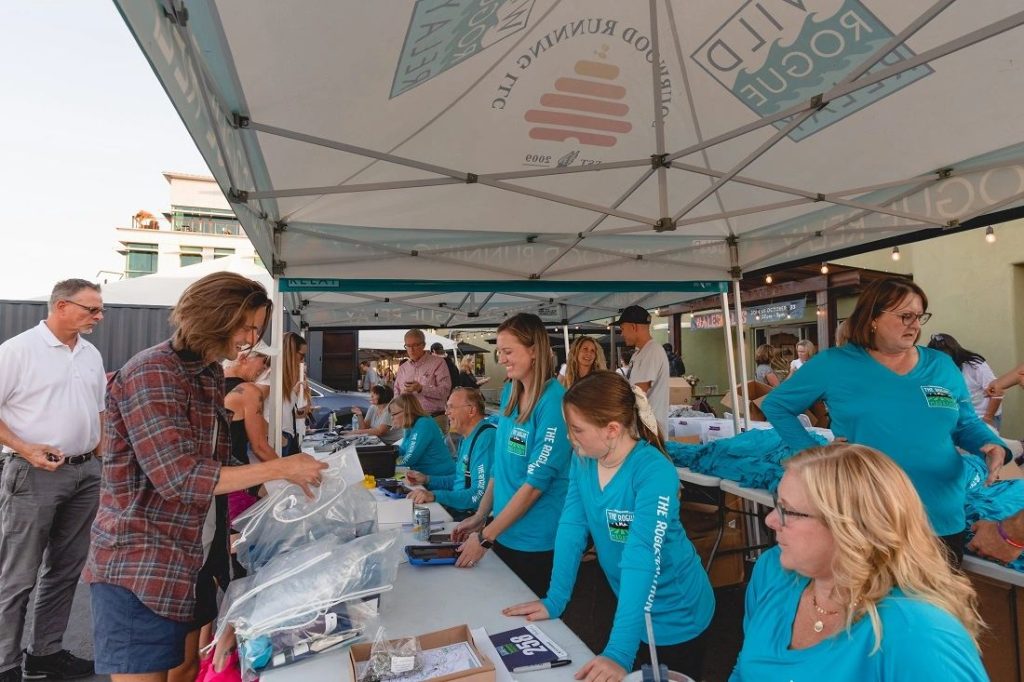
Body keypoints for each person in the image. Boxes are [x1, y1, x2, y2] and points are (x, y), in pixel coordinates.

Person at [83, 272, 328, 682]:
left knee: (189, 667)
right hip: (141, 564)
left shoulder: (210, 373)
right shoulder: (152, 373)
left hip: (191, 556)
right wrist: (282, 467)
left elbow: (215, 461)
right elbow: (180, 478)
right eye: (247, 325)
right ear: (215, 315)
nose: (251, 338)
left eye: (257, 327)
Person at [762, 277, 1008, 564]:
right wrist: (812, 453)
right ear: (873, 318)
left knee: (937, 605)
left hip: (939, 513)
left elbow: (964, 422)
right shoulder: (835, 364)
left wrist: (988, 443)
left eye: (919, 317)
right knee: (871, 604)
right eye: (905, 316)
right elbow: (777, 405)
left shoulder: (940, 365)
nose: (915, 325)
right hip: (866, 514)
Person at [504, 372, 714, 681]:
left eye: (576, 429)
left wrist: (618, 652)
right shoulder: (585, 458)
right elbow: (572, 526)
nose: (569, 438)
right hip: (629, 604)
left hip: (677, 611)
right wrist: (555, 599)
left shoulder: (654, 472)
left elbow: (641, 559)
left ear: (612, 430)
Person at [731, 444, 986, 681]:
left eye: (788, 510)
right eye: (777, 505)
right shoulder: (773, 571)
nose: (771, 520)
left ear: (849, 527)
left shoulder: (918, 632)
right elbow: (744, 670)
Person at [0, 279, 106, 682]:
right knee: (18, 574)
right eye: (90, 309)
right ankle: (5, 663)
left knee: (65, 570)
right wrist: (25, 448)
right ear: (61, 306)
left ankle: (45, 654)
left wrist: (101, 460)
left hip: (85, 474)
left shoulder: (90, 353)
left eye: (99, 309)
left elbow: (98, 412)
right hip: (33, 474)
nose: (98, 316)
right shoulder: (18, 350)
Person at [453, 313, 573, 598]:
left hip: (535, 540)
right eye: (499, 352)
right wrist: (482, 515)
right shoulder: (509, 391)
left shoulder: (554, 403)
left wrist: (484, 536)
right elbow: (501, 465)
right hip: (502, 530)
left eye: (508, 352)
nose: (502, 359)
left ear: (533, 351)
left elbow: (533, 487)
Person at [407, 387, 496, 520]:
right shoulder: (466, 437)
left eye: (451, 407)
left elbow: (479, 495)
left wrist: (435, 495)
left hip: (471, 517)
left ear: (471, 410)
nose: (446, 412)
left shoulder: (486, 438)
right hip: (458, 508)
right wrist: (427, 479)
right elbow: (460, 479)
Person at [926, 333, 1002, 427]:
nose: (945, 364)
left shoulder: (975, 365)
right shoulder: (935, 370)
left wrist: (988, 418)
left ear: (955, 354)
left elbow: (998, 392)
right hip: (960, 417)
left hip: (983, 415)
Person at [616, 306, 669, 435]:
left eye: (622, 329)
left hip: (650, 433)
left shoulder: (653, 351)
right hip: (640, 429)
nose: (622, 334)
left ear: (634, 327)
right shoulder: (639, 353)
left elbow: (639, 392)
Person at [388, 393, 454, 477]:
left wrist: (386, 466)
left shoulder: (424, 424)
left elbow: (410, 458)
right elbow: (403, 450)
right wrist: (387, 456)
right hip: (424, 475)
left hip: (440, 477)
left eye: (393, 414)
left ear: (407, 411)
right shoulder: (410, 424)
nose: (391, 418)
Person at [394, 330, 451, 417]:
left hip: (434, 417)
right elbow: (396, 393)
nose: (411, 350)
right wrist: (403, 394)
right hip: (408, 417)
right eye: (408, 346)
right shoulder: (403, 368)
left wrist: (421, 389)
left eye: (415, 345)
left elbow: (445, 391)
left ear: (423, 345)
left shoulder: (438, 363)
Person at [279, 332, 311, 455]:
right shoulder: (272, 376)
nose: (302, 360)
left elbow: (292, 410)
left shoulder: (289, 376)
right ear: (291, 352)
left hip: (289, 433)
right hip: (282, 434)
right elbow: (272, 412)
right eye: (301, 355)